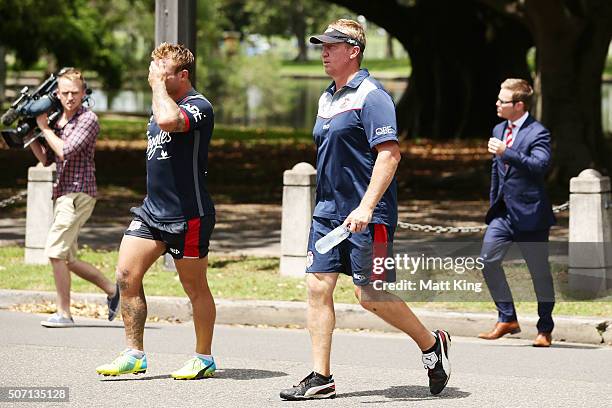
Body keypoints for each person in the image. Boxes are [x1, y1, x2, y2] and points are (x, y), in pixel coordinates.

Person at [280, 19, 451, 401]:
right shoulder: (328, 96)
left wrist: (366, 207)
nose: (323, 52)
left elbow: (389, 156)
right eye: (321, 46)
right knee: (316, 287)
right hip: (328, 214)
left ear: (352, 51)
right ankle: (320, 376)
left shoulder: (373, 96)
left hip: (368, 218)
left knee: (371, 295)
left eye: (330, 46)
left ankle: (430, 344)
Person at [95, 43, 217, 379]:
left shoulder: (199, 106)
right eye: (153, 69)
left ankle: (203, 357)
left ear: (183, 75)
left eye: (162, 70)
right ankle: (134, 353)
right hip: (152, 211)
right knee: (125, 276)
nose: (155, 76)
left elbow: (167, 120)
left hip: (188, 214)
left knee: (195, 288)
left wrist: (156, 87)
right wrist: (159, 88)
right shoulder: (161, 101)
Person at [29, 67, 119, 328]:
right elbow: (47, 159)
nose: (69, 97)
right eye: (65, 93)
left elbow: (66, 151)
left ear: (83, 93)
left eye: (74, 93)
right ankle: (113, 291)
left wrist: (44, 129)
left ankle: (64, 314)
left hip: (79, 193)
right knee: (68, 258)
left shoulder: (87, 119)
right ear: (57, 94)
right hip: (64, 193)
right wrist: (31, 134)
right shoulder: (58, 122)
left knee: (55, 252)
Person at [478, 78, 556, 347]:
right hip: (503, 213)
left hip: (531, 214)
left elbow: (540, 165)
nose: (497, 104)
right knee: (487, 260)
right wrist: (493, 201)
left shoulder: (538, 132)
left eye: (503, 100)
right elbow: (496, 170)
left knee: (539, 273)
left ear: (519, 105)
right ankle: (507, 317)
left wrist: (507, 152)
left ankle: (545, 329)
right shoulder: (499, 127)